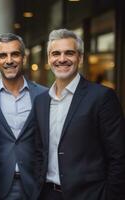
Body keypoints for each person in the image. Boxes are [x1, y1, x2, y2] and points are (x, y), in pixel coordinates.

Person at [33, 28, 125, 200]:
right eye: (56, 53)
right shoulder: (41, 101)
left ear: (80, 58)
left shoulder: (102, 97)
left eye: (69, 53)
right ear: (48, 59)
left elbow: (118, 157)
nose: (62, 59)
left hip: (90, 195)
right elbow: (39, 152)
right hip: (47, 194)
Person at [0, 33, 47, 200]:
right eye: (3, 55)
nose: (9, 60)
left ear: (23, 58)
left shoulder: (43, 95)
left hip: (36, 186)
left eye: (15, 54)